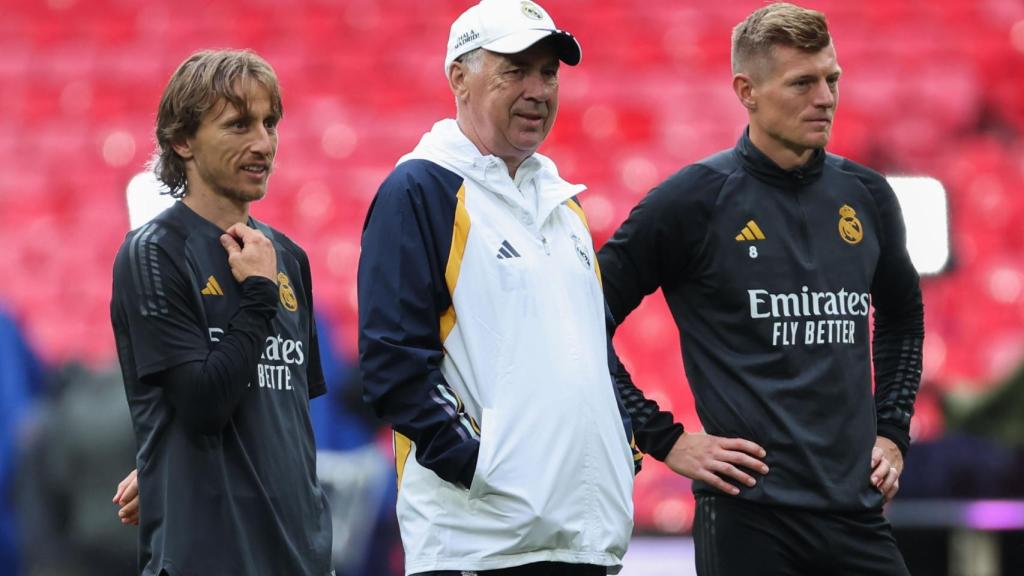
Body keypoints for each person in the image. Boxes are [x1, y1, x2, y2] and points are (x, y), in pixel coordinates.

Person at [598, 3, 924, 575]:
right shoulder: (689, 203)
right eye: (802, 83)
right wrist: (663, 438)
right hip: (750, 520)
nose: (824, 98)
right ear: (746, 90)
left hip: (856, 513)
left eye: (832, 79)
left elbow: (902, 316)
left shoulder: (869, 196)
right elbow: (580, 317)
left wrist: (892, 430)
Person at [357, 1, 637, 574]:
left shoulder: (562, 205)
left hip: (582, 539)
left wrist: (621, 448)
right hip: (480, 547)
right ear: (459, 77)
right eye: (516, 69)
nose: (538, 89)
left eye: (549, 73)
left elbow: (591, 352)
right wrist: (489, 471)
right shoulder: (419, 190)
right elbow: (393, 366)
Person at [109, 49, 332, 576]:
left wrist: (167, 465)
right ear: (182, 140)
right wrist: (257, 299)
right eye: (238, 125)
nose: (263, 143)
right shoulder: (154, 253)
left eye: (269, 123)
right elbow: (204, 405)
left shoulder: (289, 258)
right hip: (206, 558)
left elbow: (284, 421)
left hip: (300, 555)